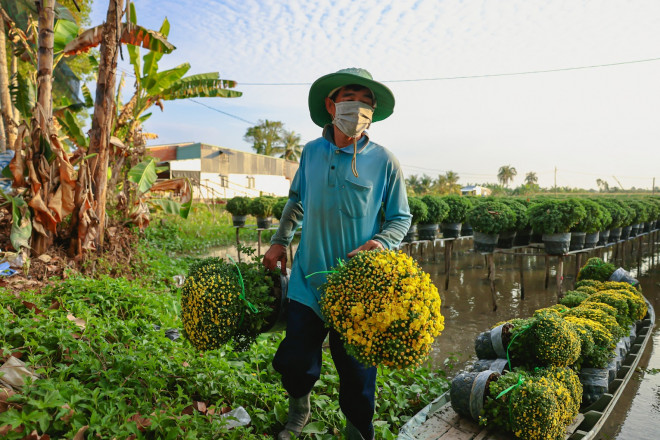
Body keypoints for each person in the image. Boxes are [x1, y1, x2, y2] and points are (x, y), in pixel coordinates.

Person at [262, 67, 412, 440]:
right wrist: (281, 240)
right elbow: (296, 200)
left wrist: (379, 243)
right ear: (332, 105)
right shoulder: (311, 152)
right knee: (295, 360)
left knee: (359, 374)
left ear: (373, 114)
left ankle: (358, 429)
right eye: (351, 99)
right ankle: (299, 410)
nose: (358, 108)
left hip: (357, 290)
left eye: (366, 103)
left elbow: (400, 218)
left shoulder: (385, 161)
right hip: (308, 281)